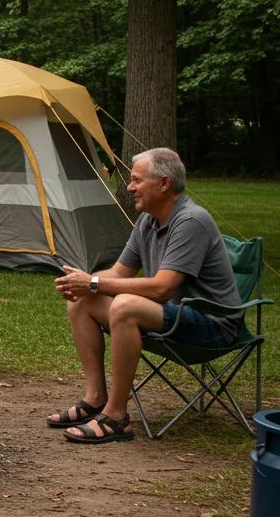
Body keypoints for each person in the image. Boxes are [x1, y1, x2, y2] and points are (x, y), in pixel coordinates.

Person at [50, 147, 243, 445]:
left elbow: (161, 288)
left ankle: (116, 417)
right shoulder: (148, 221)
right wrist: (84, 282)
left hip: (212, 324)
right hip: (174, 315)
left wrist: (94, 283)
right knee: (81, 300)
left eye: (136, 180)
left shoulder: (191, 221)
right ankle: (95, 399)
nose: (130, 187)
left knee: (125, 306)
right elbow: (119, 273)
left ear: (164, 183)